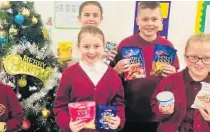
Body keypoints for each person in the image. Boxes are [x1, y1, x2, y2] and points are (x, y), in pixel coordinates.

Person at [109, 1, 180, 132]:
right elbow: (110, 80)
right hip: (128, 112)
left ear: (161, 22)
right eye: (145, 19)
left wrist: (173, 74)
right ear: (137, 21)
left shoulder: (167, 46)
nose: (149, 23)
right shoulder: (125, 44)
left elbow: (176, 80)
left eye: (154, 19)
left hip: (158, 113)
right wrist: (116, 71)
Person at [54, 26, 125, 132]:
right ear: (78, 47)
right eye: (86, 47)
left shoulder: (112, 75)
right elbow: (60, 106)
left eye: (96, 46)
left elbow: (119, 103)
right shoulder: (68, 74)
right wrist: (68, 124)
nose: (91, 52)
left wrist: (118, 120)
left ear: (103, 46)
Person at [151, 33, 210, 132]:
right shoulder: (169, 81)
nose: (199, 63)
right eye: (193, 57)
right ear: (186, 58)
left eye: (207, 58)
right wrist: (162, 110)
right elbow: (155, 103)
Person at [59, 1, 116, 72]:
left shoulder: (109, 45)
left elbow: (110, 71)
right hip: (76, 79)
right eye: (87, 15)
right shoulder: (69, 43)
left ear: (101, 19)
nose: (91, 19)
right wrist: (62, 63)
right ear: (79, 18)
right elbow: (64, 70)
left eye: (95, 15)